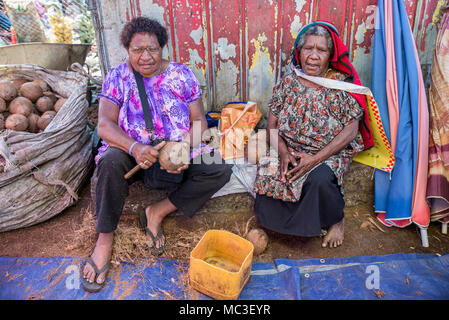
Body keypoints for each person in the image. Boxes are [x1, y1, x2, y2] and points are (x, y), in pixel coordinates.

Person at [82, 17, 232, 292]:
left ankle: (157, 211)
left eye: (152, 49)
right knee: (109, 163)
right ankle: (104, 239)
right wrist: (134, 148)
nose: (146, 56)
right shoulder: (117, 77)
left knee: (218, 169)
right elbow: (104, 125)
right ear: (127, 50)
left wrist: (183, 148)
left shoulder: (181, 75)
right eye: (137, 50)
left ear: (163, 48)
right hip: (133, 151)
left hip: (175, 149)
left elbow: (199, 120)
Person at [254, 21, 372, 249]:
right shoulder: (288, 81)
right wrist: (283, 153)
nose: (313, 56)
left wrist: (314, 160)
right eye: (308, 48)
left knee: (319, 180)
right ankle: (277, 227)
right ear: (299, 52)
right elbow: (272, 123)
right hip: (289, 148)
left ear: (330, 55)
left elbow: (351, 131)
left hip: (327, 153)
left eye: (321, 50)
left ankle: (335, 220)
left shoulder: (340, 86)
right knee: (270, 169)